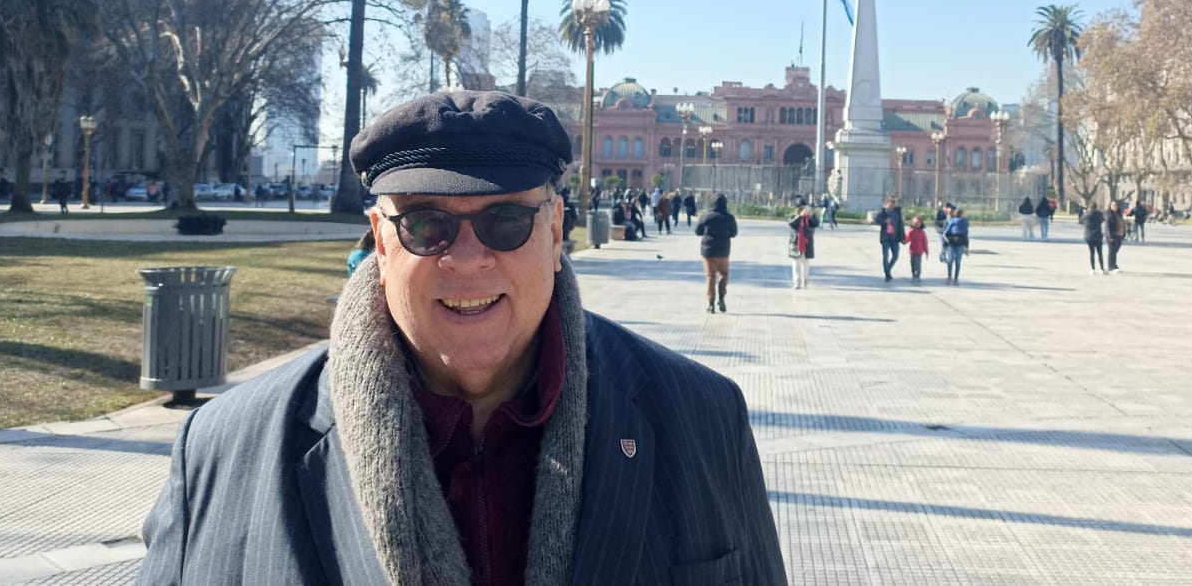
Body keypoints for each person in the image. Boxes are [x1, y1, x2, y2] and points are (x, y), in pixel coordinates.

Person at [136, 90, 784, 584]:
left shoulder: (700, 418)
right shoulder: (227, 448)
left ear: (555, 231)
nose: (468, 258)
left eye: (506, 220)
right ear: (380, 240)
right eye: (426, 225)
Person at [694, 193, 739, 313]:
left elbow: (697, 231)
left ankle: (711, 303)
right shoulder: (729, 217)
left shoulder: (705, 216)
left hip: (708, 252)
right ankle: (722, 296)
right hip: (724, 251)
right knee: (724, 274)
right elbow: (734, 233)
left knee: (710, 276)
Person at [872, 196, 905, 282]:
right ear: (887, 203)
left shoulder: (897, 213)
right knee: (886, 256)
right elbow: (876, 220)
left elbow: (901, 226)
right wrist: (884, 221)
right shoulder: (883, 212)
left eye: (894, 202)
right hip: (885, 238)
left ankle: (888, 270)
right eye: (891, 202)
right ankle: (887, 274)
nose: (892, 204)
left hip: (895, 238)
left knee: (895, 256)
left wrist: (903, 237)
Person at [787, 203, 819, 289]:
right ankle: (796, 282)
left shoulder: (810, 217)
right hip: (795, 244)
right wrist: (800, 216)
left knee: (805, 264)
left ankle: (805, 280)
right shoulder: (794, 216)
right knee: (796, 264)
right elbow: (791, 223)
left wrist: (812, 216)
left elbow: (816, 224)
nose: (804, 210)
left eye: (805, 208)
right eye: (802, 208)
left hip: (807, 244)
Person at [941, 207, 969, 284]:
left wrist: (945, 240)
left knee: (950, 261)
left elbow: (946, 232)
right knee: (958, 262)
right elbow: (966, 233)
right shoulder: (964, 222)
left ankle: (950, 276)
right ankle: (955, 278)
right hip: (959, 243)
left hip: (952, 243)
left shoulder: (955, 221)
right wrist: (967, 246)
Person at [1080, 204, 1106, 274]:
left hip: (1089, 236)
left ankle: (1093, 268)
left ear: (1089, 207)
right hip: (1098, 235)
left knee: (1092, 253)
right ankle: (1101, 269)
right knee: (1100, 253)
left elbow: (1080, 221)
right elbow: (1103, 219)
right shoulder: (1099, 214)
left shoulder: (1086, 214)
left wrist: (1084, 212)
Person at [904, 216, 929, 283]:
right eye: (915, 223)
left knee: (918, 264)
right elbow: (907, 239)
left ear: (921, 223)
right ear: (912, 223)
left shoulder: (922, 232)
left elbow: (925, 242)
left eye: (918, 223)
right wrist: (903, 241)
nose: (916, 224)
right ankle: (913, 275)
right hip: (912, 251)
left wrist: (926, 251)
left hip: (919, 251)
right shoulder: (911, 231)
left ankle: (917, 276)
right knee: (912, 264)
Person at [1104, 201, 1126, 273]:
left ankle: (1114, 265)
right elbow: (1107, 226)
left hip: (1119, 235)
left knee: (1115, 251)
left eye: (1116, 205)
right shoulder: (1109, 214)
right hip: (1112, 236)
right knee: (1111, 252)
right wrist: (1110, 236)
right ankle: (1110, 266)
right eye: (1113, 205)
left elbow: (1122, 224)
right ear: (1110, 206)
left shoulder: (1119, 214)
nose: (1115, 206)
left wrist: (1123, 234)